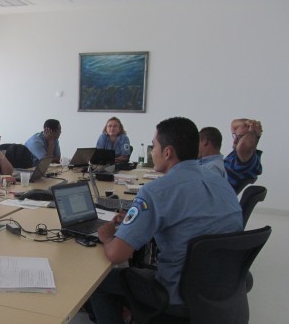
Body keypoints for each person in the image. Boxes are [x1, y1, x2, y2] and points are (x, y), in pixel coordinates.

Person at [89, 117, 243, 324]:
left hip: (174, 296)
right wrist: (141, 220)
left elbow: (117, 255)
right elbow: (191, 220)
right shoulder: (221, 183)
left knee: (96, 282)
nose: (153, 152)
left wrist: (107, 236)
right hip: (222, 291)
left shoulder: (155, 191)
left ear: (168, 152)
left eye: (154, 146)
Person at [224, 118, 263, 190]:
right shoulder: (238, 153)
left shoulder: (249, 160)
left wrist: (253, 131)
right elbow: (234, 124)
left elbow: (243, 147)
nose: (235, 140)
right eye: (235, 135)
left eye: (240, 137)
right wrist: (252, 124)